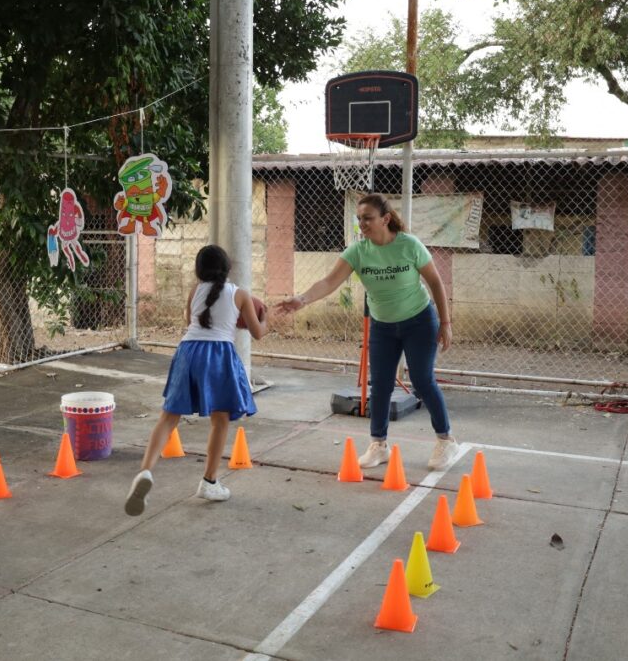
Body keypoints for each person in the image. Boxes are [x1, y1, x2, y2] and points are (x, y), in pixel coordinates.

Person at [276, 193, 458, 470]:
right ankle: (378, 445)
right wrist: (301, 299)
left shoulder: (409, 245)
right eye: (359, 218)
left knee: (422, 380)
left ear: (385, 219)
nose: (362, 224)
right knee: (380, 384)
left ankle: (446, 440)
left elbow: (435, 281)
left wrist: (445, 323)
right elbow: (328, 282)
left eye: (368, 218)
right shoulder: (358, 251)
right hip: (383, 326)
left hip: (419, 321)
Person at [125, 244, 267, 516]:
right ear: (227, 268)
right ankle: (209, 482)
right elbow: (258, 333)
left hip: (188, 350)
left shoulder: (195, 291)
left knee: (168, 417)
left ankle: (145, 471)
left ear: (198, 270)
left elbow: (190, 320)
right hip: (218, 354)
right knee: (220, 419)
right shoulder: (239, 294)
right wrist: (266, 317)